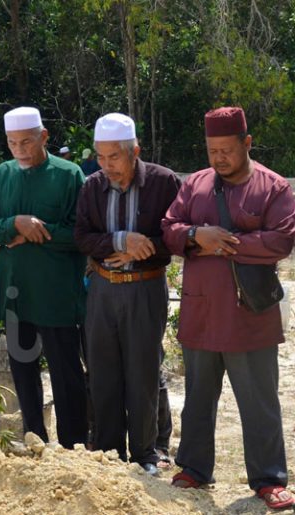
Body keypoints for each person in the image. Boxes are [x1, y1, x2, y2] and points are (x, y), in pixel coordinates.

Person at [162, 106, 295, 510]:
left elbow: (282, 240)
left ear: (247, 143)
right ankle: (194, 469)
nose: (218, 158)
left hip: (250, 315)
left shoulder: (273, 187)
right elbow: (170, 230)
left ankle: (269, 479)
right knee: (199, 398)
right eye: (211, 150)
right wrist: (197, 234)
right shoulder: (195, 185)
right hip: (201, 313)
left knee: (259, 401)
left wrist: (222, 243)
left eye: (226, 150)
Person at [74, 113, 181, 475]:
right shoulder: (92, 185)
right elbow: (83, 237)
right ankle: (107, 450)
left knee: (143, 372)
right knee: (103, 371)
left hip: (145, 287)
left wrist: (146, 245)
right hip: (103, 289)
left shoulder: (164, 183)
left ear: (135, 151)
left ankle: (145, 453)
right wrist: (120, 241)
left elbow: (175, 237)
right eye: (101, 158)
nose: (107, 167)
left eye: (114, 158)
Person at [0, 107, 88, 449]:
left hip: (56, 291)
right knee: (22, 368)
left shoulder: (69, 174)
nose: (20, 149)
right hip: (15, 290)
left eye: (27, 141)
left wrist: (38, 232)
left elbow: (82, 233)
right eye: (13, 143)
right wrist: (14, 224)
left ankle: (75, 443)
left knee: (66, 371)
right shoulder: (1, 175)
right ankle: (34, 437)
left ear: (44, 136)